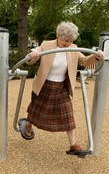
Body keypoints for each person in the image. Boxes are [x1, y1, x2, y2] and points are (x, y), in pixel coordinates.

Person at [19, 21, 104, 153]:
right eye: (65, 40)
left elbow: (84, 61)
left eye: (70, 41)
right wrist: (33, 55)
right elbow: (33, 56)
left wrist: (96, 57)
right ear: (58, 36)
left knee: (68, 115)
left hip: (62, 87)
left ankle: (73, 145)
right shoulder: (46, 44)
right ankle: (28, 125)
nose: (68, 43)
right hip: (44, 85)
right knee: (36, 111)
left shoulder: (73, 48)